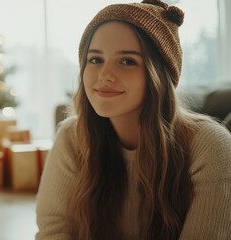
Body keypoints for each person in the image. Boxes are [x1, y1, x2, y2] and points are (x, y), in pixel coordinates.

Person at [35, 0, 231, 239]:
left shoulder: (213, 147)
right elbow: (54, 231)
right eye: (95, 59)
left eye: (128, 61)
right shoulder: (71, 137)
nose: (105, 75)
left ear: (158, 75)